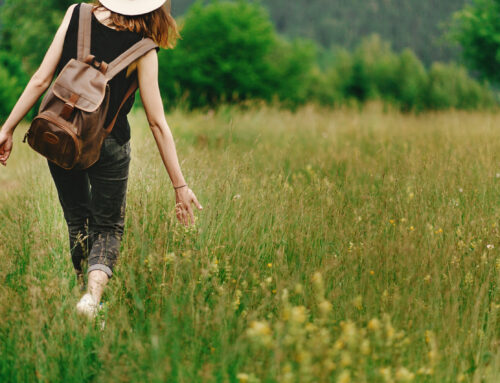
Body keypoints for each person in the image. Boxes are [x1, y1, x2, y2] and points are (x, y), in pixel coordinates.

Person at [0, 0, 202, 318]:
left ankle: (83, 293)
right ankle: (93, 299)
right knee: (107, 228)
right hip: (110, 144)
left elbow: (41, 78)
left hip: (61, 135)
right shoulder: (144, 46)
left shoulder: (76, 13)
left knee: (77, 220)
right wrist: (180, 185)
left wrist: (8, 128)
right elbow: (156, 121)